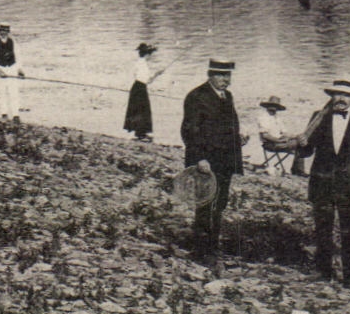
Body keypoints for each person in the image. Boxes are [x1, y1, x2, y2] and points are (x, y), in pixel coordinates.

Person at [296, 75, 350, 287]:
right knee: (322, 227)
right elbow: (307, 152)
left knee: (348, 230)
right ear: (331, 96)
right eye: (337, 94)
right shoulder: (318, 117)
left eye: (346, 95)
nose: (341, 98)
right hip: (322, 181)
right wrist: (302, 144)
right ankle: (323, 271)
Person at [180, 60, 245, 267]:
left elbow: (228, 127)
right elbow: (189, 131)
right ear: (210, 75)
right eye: (220, 75)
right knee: (205, 204)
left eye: (227, 76)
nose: (225, 79)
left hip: (225, 161)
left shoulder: (227, 96)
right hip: (206, 162)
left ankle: (212, 246)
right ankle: (202, 250)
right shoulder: (196, 96)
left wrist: (238, 139)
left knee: (220, 204)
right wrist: (199, 158)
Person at [123, 43, 165, 141]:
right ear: (147, 54)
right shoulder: (142, 64)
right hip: (140, 88)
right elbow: (147, 80)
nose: (151, 57)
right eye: (151, 55)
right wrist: (157, 74)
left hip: (138, 87)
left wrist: (157, 74)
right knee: (142, 109)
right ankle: (141, 133)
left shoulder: (139, 63)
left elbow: (144, 79)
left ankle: (140, 133)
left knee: (140, 109)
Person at [254, 95, 296, 174]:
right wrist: (279, 141)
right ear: (267, 106)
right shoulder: (263, 117)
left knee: (300, 141)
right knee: (296, 144)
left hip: (279, 141)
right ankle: (297, 170)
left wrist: (292, 136)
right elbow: (265, 136)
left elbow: (284, 132)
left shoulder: (277, 118)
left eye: (276, 106)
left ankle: (297, 169)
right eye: (272, 105)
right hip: (270, 143)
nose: (274, 108)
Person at [0, 23, 24, 121]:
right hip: (0, 70)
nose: (3, 33)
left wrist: (19, 70)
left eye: (6, 31)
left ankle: (15, 115)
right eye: (2, 30)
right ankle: (4, 114)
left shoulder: (13, 42)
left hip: (12, 69)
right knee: (2, 92)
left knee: (14, 92)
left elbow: (18, 57)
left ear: (8, 32)